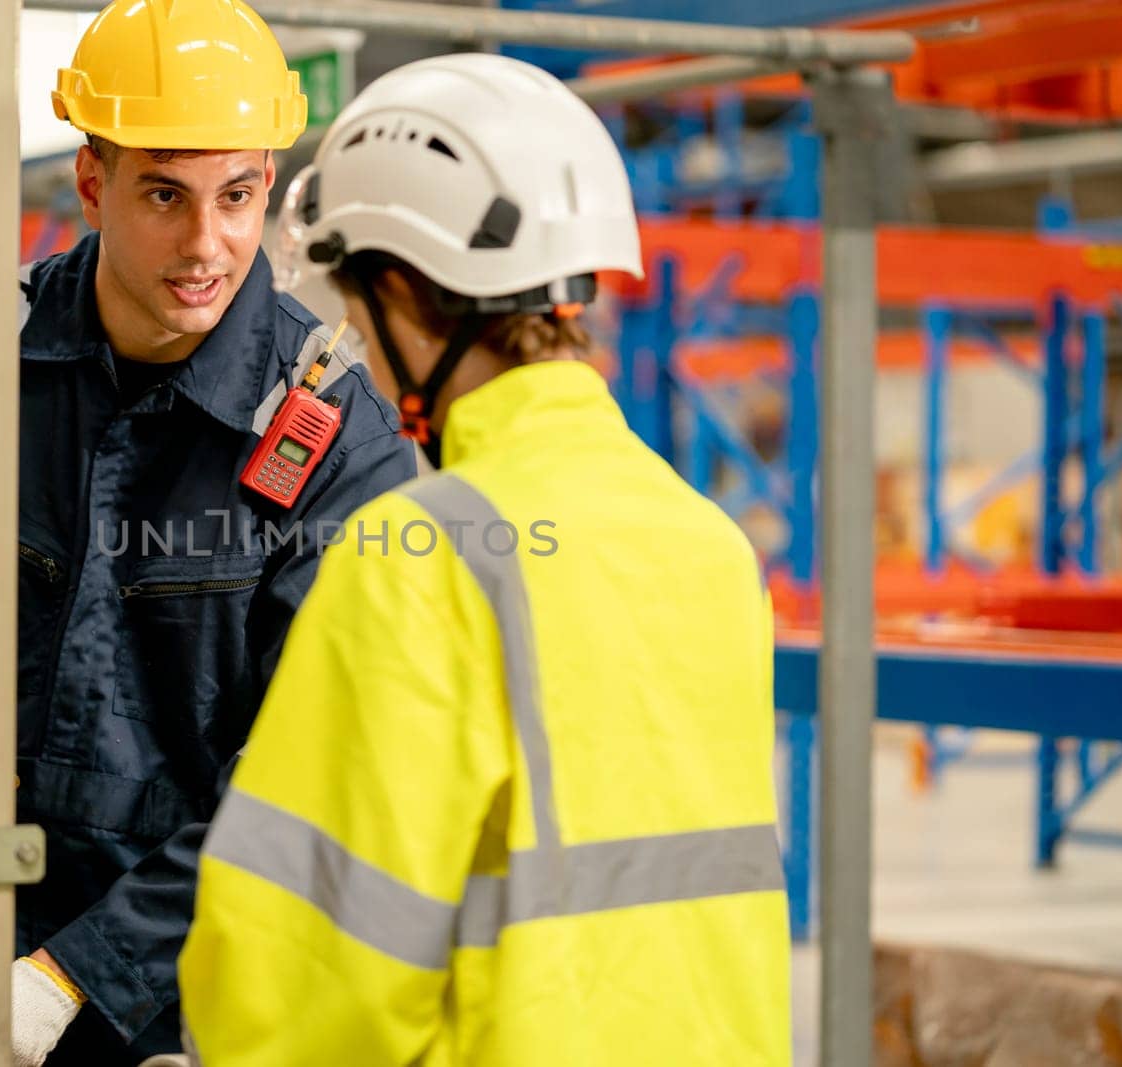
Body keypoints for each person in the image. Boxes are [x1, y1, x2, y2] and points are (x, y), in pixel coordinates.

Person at [0, 1, 416, 1063]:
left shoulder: (335, 435)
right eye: (165, 193)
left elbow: (306, 775)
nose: (206, 245)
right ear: (91, 180)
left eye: (238, 195)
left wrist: (77, 974)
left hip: (194, 996)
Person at [177, 53, 791, 1065]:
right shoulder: (709, 545)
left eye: (356, 308)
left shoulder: (421, 555)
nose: (355, 349)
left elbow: (304, 978)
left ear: (407, 290)